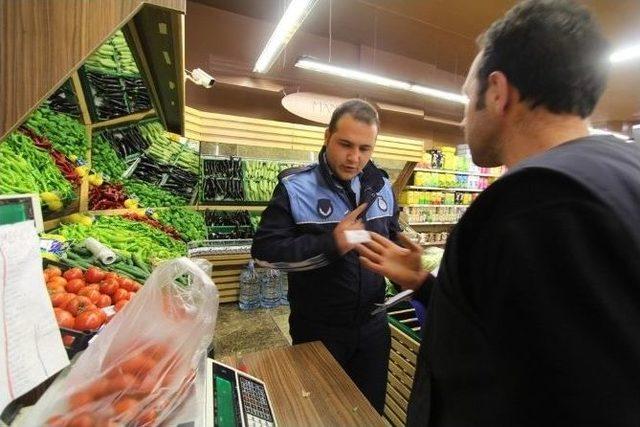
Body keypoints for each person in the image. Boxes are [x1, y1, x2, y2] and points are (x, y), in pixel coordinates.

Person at [357, 1, 640, 426]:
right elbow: (518, 343)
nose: (464, 116)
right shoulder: (622, 173)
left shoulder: (534, 204)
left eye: (468, 97)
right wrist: (423, 284)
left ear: (497, 92)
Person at [251, 99, 400, 413]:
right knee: (319, 413)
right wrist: (331, 244)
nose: (354, 158)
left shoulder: (383, 187)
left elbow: (391, 232)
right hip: (319, 330)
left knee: (368, 413)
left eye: (365, 149)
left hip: (374, 329)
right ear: (327, 136)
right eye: (345, 144)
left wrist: (406, 250)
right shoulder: (295, 188)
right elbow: (265, 254)